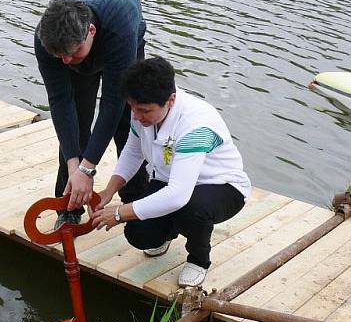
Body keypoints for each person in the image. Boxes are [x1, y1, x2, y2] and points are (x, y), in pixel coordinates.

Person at [91, 56, 251, 287]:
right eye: (132, 108)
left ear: (171, 100)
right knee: (139, 234)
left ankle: (199, 260)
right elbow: (133, 152)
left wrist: (118, 212)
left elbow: (178, 195)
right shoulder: (141, 112)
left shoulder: (196, 125)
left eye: (144, 111)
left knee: (191, 210)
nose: (136, 116)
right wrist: (109, 190)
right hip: (171, 180)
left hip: (221, 186)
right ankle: (167, 233)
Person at [35, 0, 149, 228]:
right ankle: (69, 205)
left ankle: (137, 205)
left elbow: (111, 103)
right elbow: (59, 101)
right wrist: (76, 166)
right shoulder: (47, 38)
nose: (65, 61)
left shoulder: (120, 31)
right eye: (59, 56)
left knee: (128, 122)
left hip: (123, 30)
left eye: (72, 53)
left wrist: (88, 169)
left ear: (91, 32)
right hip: (78, 39)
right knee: (76, 117)